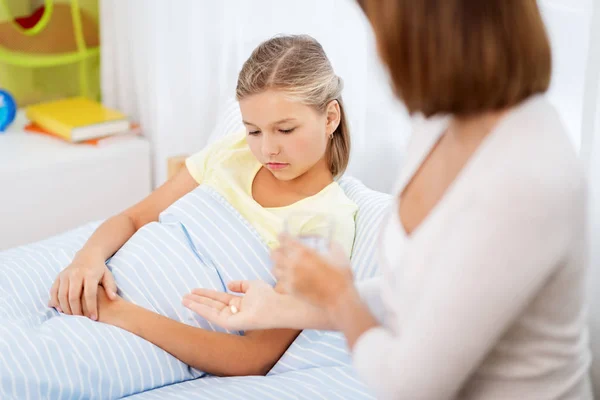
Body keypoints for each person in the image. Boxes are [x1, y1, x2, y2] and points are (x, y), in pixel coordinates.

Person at [183, 0, 593, 398]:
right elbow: (419, 296)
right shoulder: (438, 125)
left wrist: (341, 297)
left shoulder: (529, 178)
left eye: (384, 30)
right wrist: (282, 310)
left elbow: (411, 383)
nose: (380, 50)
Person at [47, 34, 358, 377]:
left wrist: (116, 312)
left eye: (284, 130)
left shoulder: (323, 222)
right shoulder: (231, 153)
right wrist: (87, 260)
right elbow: (134, 218)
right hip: (97, 295)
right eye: (254, 131)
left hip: (130, 330)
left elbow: (252, 356)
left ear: (330, 118)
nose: (267, 149)